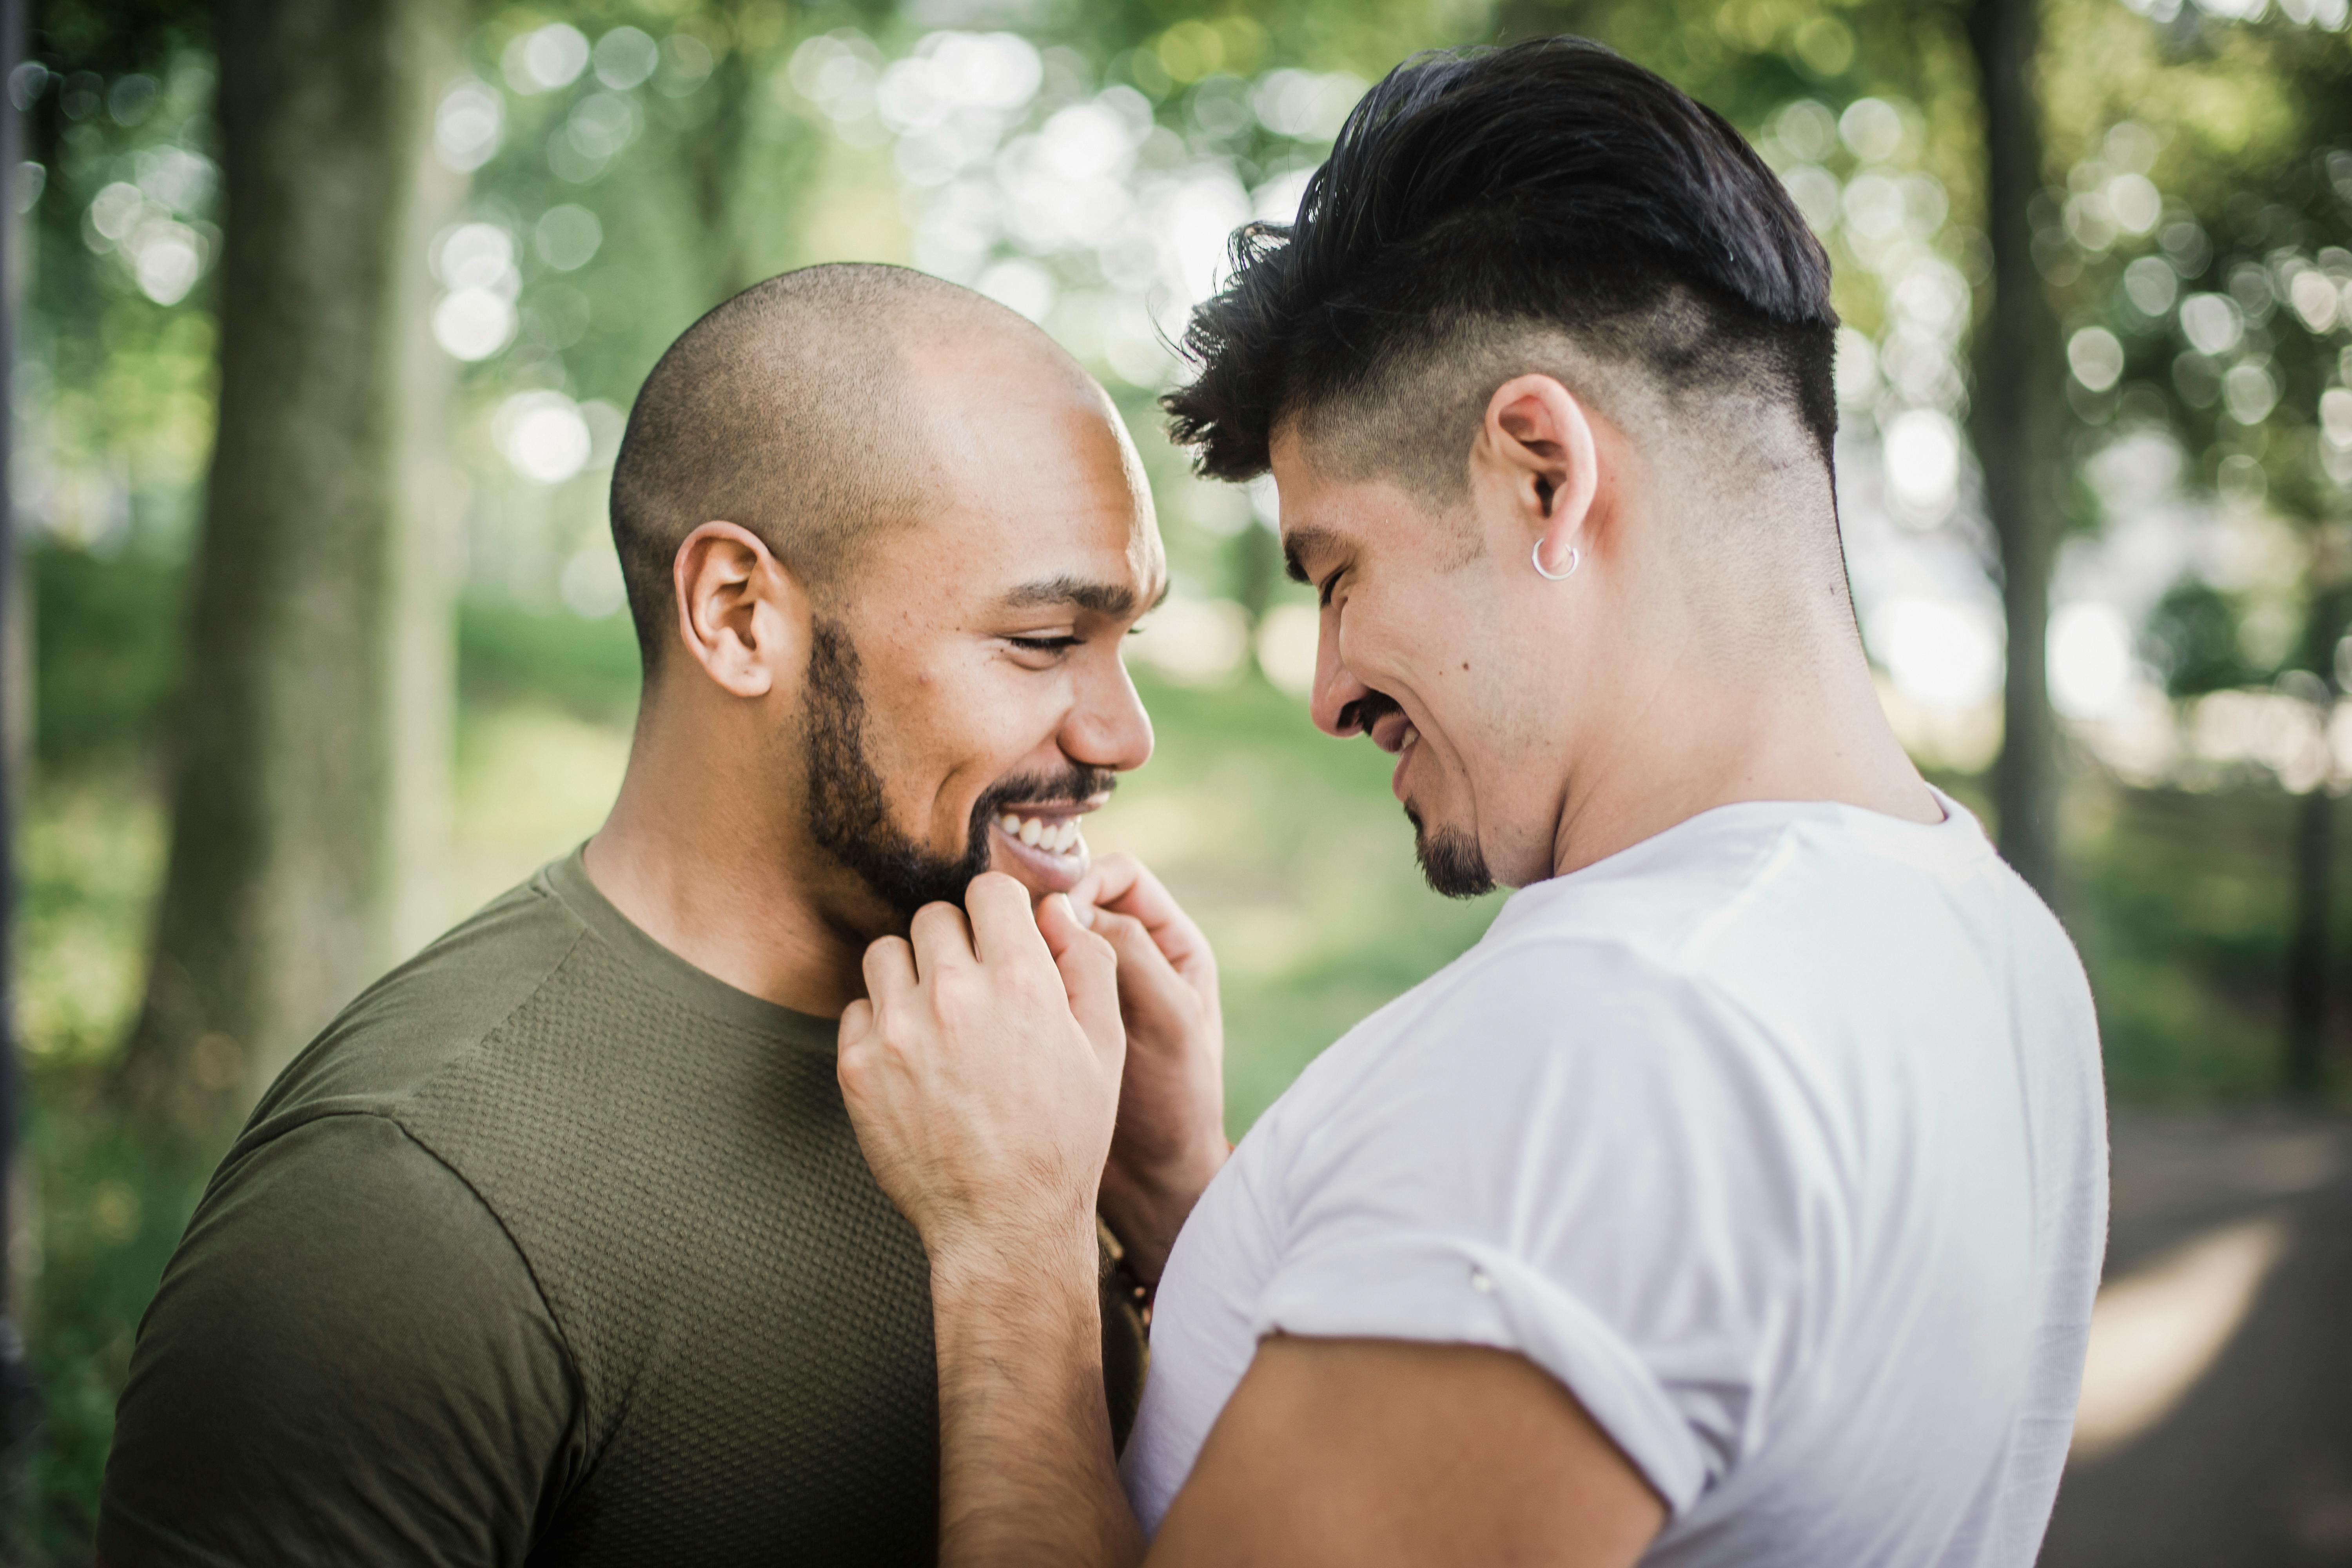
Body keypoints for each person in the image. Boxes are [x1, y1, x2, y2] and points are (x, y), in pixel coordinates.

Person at [835, 38, 2109, 1568]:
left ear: (1540, 476)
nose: (1326, 690)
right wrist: (1184, 1194)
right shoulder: (1986, 935)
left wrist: (1012, 1248)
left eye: (1338, 573)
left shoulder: (1615, 1039)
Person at [97, 264, 1174, 1566]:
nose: (1126, 733)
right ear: (736, 614)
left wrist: (1169, 1216)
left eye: (1128, 642)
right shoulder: (397, 1213)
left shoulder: (1049, 1058)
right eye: (1048, 640)